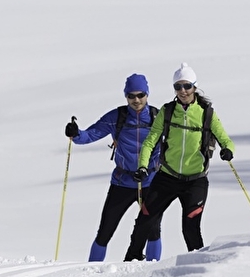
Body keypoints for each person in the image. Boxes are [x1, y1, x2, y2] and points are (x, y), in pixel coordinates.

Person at [129, 63, 236, 255]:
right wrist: (143, 166)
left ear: (195, 86)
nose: (183, 91)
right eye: (178, 87)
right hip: (167, 177)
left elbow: (224, 138)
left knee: (190, 228)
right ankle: (129, 263)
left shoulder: (206, 113)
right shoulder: (168, 111)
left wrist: (227, 149)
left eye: (187, 86)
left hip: (195, 180)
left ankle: (198, 269)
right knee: (144, 221)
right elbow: (150, 141)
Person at [66, 73, 164, 262]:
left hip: (151, 181)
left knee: (153, 230)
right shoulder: (116, 117)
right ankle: (89, 275)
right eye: (131, 96)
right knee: (105, 232)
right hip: (122, 182)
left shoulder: (157, 117)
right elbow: (90, 135)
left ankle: (154, 273)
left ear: (147, 94)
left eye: (141, 95)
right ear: (126, 96)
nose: (136, 100)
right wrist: (76, 134)